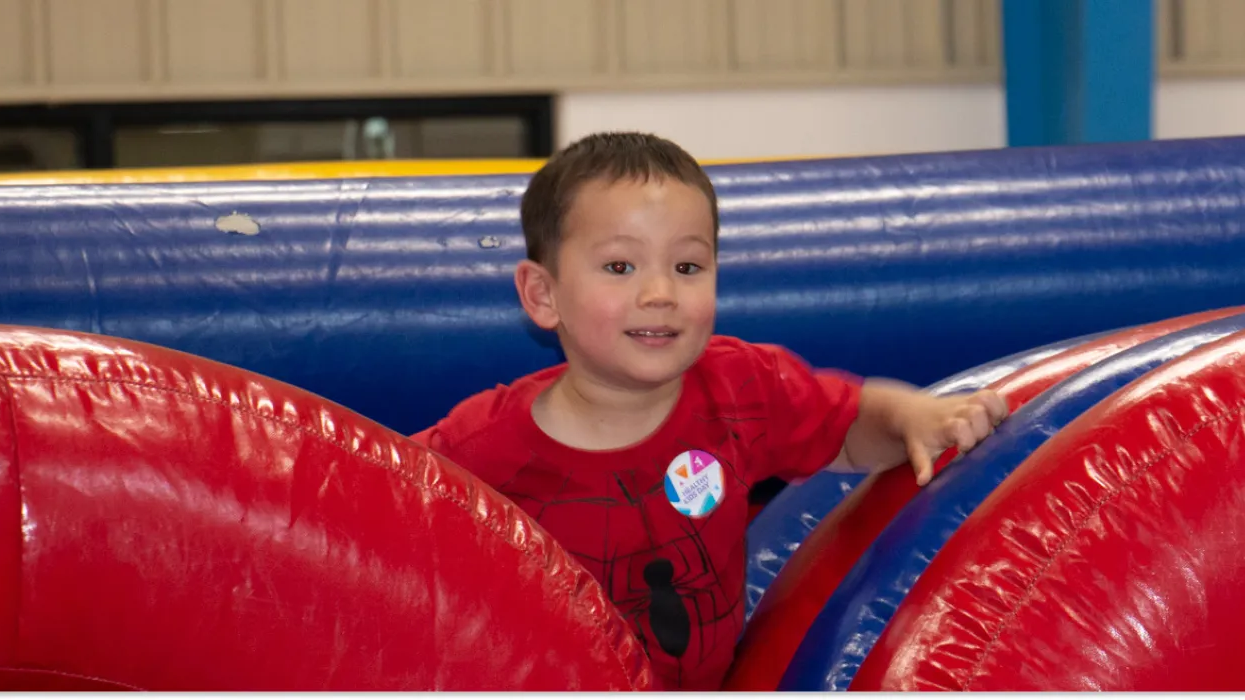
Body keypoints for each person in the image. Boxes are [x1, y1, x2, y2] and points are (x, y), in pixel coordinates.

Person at [410, 132, 1008, 690]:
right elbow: (378, 512)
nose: (661, 293)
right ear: (543, 296)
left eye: (688, 266)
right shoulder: (479, 448)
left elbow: (850, 426)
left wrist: (914, 417)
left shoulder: (741, 388)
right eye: (621, 266)